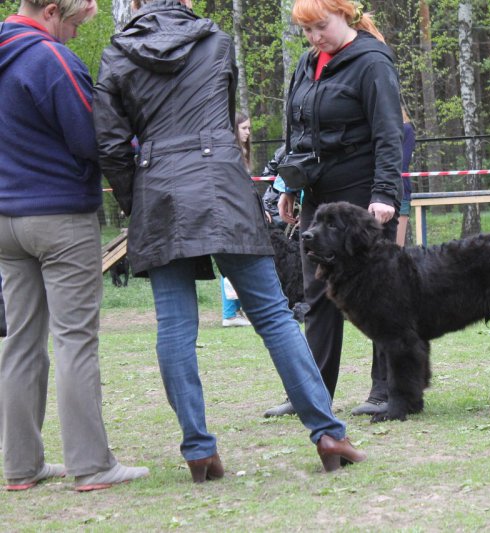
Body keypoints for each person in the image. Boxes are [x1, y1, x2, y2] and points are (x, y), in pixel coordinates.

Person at [93, 0, 366, 480]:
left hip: (159, 187)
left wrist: (140, 201)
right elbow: (219, 119)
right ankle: (327, 433)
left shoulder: (118, 53)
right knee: (274, 316)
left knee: (175, 326)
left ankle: (198, 449)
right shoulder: (215, 42)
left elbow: (111, 145)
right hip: (220, 181)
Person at [0, 0, 149, 491]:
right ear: (50, 10)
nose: (73, 34)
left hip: (5, 220)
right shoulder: (51, 59)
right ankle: (91, 465)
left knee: (21, 342)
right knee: (75, 339)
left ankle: (21, 466)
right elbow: (93, 137)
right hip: (59, 218)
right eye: (73, 23)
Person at [265, 0, 403, 418]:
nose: (314, 37)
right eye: (307, 30)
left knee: (379, 292)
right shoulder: (307, 64)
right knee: (317, 294)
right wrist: (288, 186)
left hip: (363, 195)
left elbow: (389, 133)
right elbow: (297, 135)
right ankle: (312, 392)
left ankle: (387, 390)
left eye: (320, 26)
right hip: (317, 196)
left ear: (344, 14)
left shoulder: (372, 61)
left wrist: (385, 194)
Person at [219, 111, 254, 328]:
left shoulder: (243, 152)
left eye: (249, 128)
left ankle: (237, 310)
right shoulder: (228, 154)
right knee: (229, 265)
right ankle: (230, 314)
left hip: (242, 214)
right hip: (230, 215)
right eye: (244, 128)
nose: (248, 133)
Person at [396, 107, 416, 247]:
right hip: (375, 192)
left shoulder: (407, 129)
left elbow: (403, 162)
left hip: (400, 189)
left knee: (397, 246)